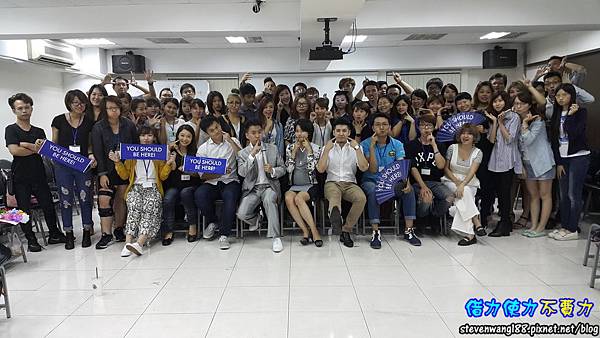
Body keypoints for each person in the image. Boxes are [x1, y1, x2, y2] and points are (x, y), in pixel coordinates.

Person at [5, 93, 67, 252]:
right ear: (14, 111)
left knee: (48, 206)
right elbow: (15, 151)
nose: (24, 111)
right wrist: (35, 148)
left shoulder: (38, 131)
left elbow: (45, 150)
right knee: (24, 210)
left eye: (27, 107)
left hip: (39, 174)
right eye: (20, 108)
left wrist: (26, 144)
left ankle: (54, 233)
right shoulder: (11, 129)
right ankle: (31, 239)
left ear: (31, 108)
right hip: (20, 177)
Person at [110, 126, 174, 256]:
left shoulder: (159, 153)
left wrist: (168, 163)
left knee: (149, 208)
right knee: (133, 207)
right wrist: (117, 163)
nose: (146, 138)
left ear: (154, 138)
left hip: (153, 186)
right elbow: (125, 176)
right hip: (136, 187)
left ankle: (139, 243)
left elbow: (162, 176)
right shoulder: (132, 153)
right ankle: (128, 243)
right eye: (143, 135)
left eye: (149, 135)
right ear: (138, 138)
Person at [361, 113, 420, 248]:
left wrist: (407, 182)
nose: (381, 127)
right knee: (373, 191)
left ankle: (409, 230)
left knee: (408, 190)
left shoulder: (397, 144)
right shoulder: (365, 144)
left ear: (389, 127)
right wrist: (371, 146)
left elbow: (401, 166)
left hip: (391, 183)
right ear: (372, 127)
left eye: (385, 124)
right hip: (371, 181)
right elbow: (373, 170)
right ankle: (376, 232)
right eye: (378, 124)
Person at [51, 90, 96, 249]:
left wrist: (91, 155)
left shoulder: (89, 121)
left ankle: (86, 230)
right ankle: (69, 233)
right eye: (76, 103)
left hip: (82, 164)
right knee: (65, 199)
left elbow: (90, 144)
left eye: (83, 102)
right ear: (69, 104)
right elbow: (54, 144)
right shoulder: (58, 120)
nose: (80, 106)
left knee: (85, 198)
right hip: (63, 164)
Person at [91, 96, 138, 249]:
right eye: (110, 108)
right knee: (104, 199)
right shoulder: (98, 127)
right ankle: (106, 234)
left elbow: (135, 147)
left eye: (116, 107)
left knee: (121, 199)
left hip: (125, 168)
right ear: (104, 110)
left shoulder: (129, 125)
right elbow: (98, 151)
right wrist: (102, 173)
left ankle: (119, 229)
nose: (114, 111)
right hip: (107, 169)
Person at [316, 118, 369, 248]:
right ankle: (335, 215)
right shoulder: (326, 147)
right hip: (332, 182)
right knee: (334, 198)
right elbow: (321, 169)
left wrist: (356, 148)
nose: (341, 133)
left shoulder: (356, 147)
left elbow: (363, 167)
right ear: (333, 132)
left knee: (361, 198)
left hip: (350, 183)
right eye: (338, 130)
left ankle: (345, 229)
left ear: (349, 132)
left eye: (344, 131)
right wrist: (327, 150)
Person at [237, 120, 286, 252]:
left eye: (259, 132)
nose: (257, 135)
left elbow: (283, 168)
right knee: (241, 213)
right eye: (253, 133)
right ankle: (256, 219)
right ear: (247, 135)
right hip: (252, 189)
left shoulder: (273, 148)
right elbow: (242, 173)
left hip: (269, 186)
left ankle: (275, 237)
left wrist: (273, 170)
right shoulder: (242, 153)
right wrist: (252, 155)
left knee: (270, 200)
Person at [549, 83, 590, 241]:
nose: (560, 98)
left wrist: (571, 116)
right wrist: (558, 162)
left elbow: (574, 134)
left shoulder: (581, 112)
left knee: (574, 194)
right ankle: (564, 226)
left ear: (571, 96)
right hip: (563, 158)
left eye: (564, 95)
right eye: (558, 95)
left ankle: (572, 229)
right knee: (563, 194)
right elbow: (554, 139)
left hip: (579, 156)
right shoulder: (557, 113)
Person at [194, 116, 242, 250]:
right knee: (199, 194)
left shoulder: (233, 141)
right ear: (207, 133)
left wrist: (230, 142)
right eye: (212, 130)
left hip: (230, 180)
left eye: (217, 127)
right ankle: (214, 221)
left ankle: (224, 235)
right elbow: (202, 175)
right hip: (212, 181)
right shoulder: (203, 148)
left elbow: (243, 157)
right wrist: (219, 172)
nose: (216, 131)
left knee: (230, 196)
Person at [515, 92, 555, 238]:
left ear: (529, 105)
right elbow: (518, 146)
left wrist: (525, 126)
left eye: (521, 104)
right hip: (527, 163)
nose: (518, 107)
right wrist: (521, 166)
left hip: (543, 162)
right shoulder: (515, 120)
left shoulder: (538, 120)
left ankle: (541, 227)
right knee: (533, 196)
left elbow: (529, 140)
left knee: (545, 195)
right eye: (516, 104)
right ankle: (533, 225)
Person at [405, 114, 453, 232]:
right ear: (418, 127)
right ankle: (422, 218)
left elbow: (441, 165)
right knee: (426, 198)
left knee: (450, 197)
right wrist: (423, 186)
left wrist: (434, 145)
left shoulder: (440, 145)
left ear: (434, 127)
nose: (426, 128)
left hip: (435, 182)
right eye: (422, 125)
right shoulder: (411, 145)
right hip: (417, 182)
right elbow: (413, 168)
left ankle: (435, 216)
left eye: (429, 125)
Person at [442, 124, 485, 246]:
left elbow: (472, 172)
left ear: (474, 137)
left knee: (463, 195)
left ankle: (470, 235)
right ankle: (476, 223)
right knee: (465, 194)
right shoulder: (452, 148)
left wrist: (462, 184)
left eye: (469, 133)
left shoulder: (478, 152)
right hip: (451, 179)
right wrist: (457, 182)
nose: (465, 136)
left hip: (469, 181)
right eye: (463, 133)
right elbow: (446, 168)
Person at [487, 95, 522, 237]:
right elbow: (491, 139)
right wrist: (495, 122)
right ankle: (504, 222)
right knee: (499, 193)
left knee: (505, 193)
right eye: (495, 101)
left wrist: (501, 123)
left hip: (508, 159)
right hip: (495, 158)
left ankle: (505, 223)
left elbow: (510, 138)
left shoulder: (514, 117)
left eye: (500, 100)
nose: (497, 103)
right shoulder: (493, 117)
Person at [161, 125, 201, 245]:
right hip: (174, 185)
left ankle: (192, 226)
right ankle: (169, 230)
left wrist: (189, 171)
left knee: (186, 194)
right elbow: (165, 170)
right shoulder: (171, 151)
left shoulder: (196, 152)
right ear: (177, 136)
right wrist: (169, 153)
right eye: (182, 135)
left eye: (188, 136)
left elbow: (199, 174)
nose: (185, 139)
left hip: (191, 185)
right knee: (168, 199)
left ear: (192, 138)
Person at [285, 119, 322, 247]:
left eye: (303, 131)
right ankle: (305, 231)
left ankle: (315, 232)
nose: (299, 134)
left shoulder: (316, 148)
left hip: (311, 184)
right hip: (294, 184)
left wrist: (309, 152)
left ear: (309, 133)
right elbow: (288, 170)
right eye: (297, 131)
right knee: (289, 198)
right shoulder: (290, 147)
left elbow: (313, 170)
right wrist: (293, 154)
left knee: (299, 198)